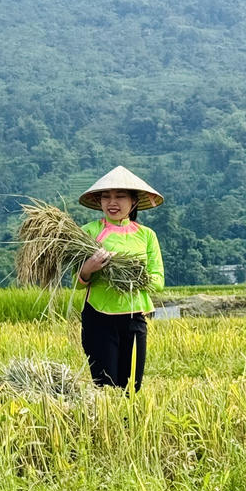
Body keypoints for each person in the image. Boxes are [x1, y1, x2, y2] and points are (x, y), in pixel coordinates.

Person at [73, 165, 166, 392]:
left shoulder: (146, 235)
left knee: (131, 387)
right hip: (98, 318)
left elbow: (158, 281)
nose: (112, 202)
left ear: (133, 201)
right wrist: (89, 268)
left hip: (134, 318)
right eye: (106, 197)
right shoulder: (88, 232)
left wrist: (133, 275)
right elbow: (77, 282)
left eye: (120, 196)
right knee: (105, 387)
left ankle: (128, 417)